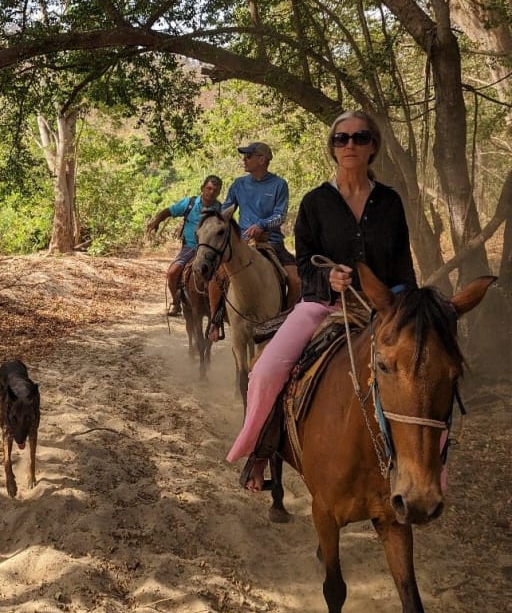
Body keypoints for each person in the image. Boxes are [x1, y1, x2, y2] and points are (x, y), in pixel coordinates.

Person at [227, 111, 417, 490]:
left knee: (430, 373)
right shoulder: (315, 203)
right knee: (263, 369)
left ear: (372, 146)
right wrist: (328, 278)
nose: (350, 145)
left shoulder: (391, 202)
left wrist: (401, 306)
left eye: (360, 138)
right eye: (341, 139)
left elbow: (402, 267)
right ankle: (260, 451)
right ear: (332, 148)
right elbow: (305, 262)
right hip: (325, 306)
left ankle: (427, 472)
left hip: (384, 309)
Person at [209, 142, 301, 335]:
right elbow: (226, 208)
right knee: (217, 277)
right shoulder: (238, 184)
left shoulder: (279, 185)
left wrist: (262, 225)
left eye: (248, 156)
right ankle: (215, 322)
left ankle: (286, 322)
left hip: (271, 242)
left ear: (262, 159)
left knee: (295, 280)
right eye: (245, 156)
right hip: (242, 243)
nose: (244, 159)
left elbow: (280, 215)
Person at [147, 175, 223, 315]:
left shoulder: (220, 209)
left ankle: (221, 310)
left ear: (219, 193)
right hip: (190, 247)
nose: (211, 192)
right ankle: (176, 303)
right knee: (172, 272)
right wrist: (156, 221)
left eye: (215, 190)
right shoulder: (190, 203)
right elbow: (168, 211)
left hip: (210, 251)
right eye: (209, 188)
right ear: (202, 188)